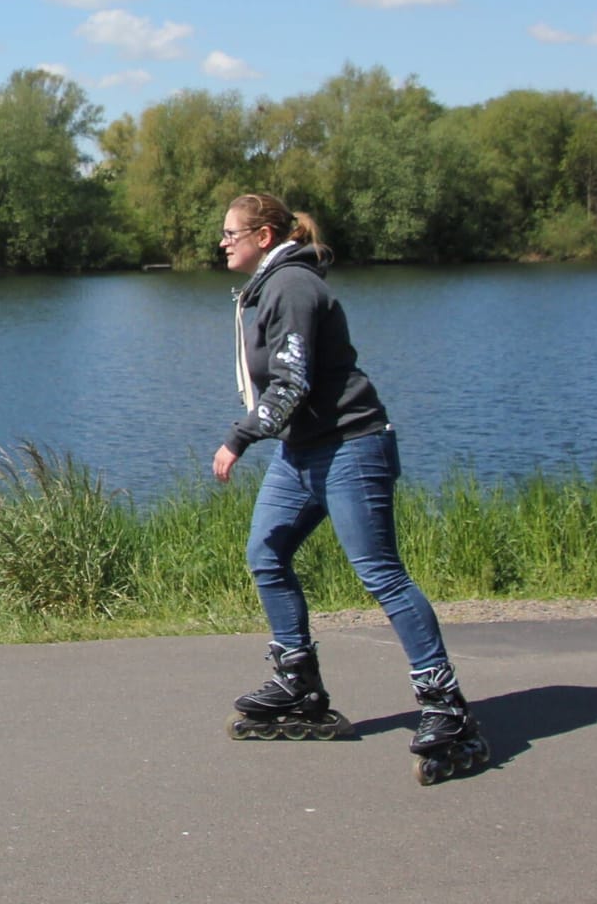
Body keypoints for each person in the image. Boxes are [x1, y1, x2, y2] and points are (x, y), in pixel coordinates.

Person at [212, 192, 486, 777]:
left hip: (351, 445)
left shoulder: (291, 287)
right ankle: (298, 681)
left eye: (231, 233)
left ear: (263, 237)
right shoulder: (269, 286)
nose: (223, 242)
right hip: (304, 450)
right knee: (267, 553)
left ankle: (445, 704)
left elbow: (292, 383)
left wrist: (238, 438)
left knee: (380, 573)